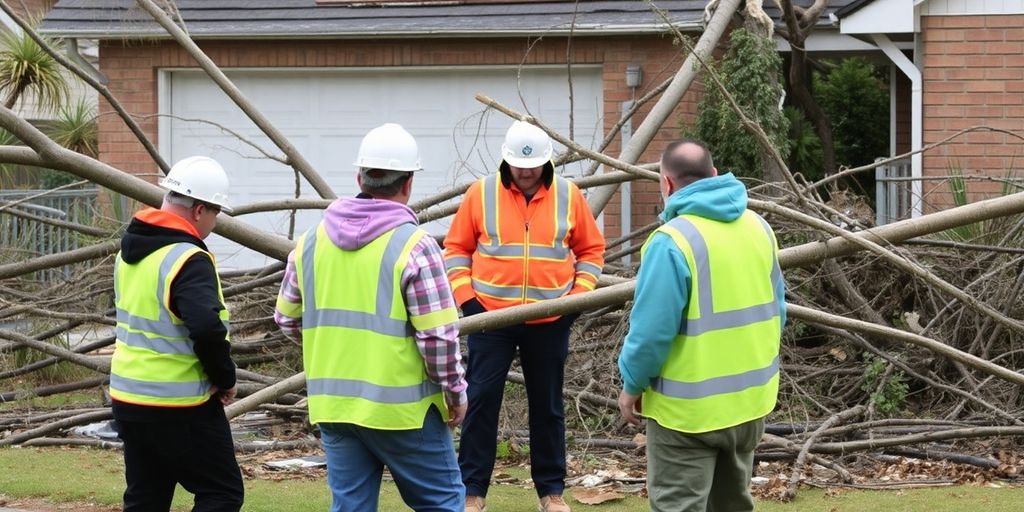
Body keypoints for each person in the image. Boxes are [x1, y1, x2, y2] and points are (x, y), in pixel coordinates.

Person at [274, 123, 468, 512]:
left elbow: (286, 319)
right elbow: (438, 338)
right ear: (409, 184)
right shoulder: (416, 247)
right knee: (443, 504)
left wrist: (334, 348)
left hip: (336, 407)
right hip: (403, 411)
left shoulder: (311, 242)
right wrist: (455, 391)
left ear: (359, 177)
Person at [616, 139, 786, 512]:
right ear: (713, 175)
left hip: (687, 414)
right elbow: (778, 312)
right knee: (732, 505)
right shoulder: (759, 228)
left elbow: (650, 334)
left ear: (667, 184)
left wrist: (632, 385)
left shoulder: (672, 242)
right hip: (749, 404)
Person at [444, 120, 606, 512]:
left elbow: (592, 251)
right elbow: (455, 250)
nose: (526, 171)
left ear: (548, 162)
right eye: (518, 165)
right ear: (506, 160)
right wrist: (468, 302)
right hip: (489, 318)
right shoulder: (480, 193)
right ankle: (472, 493)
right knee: (481, 401)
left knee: (548, 406)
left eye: (532, 166)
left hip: (551, 319)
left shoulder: (568, 195)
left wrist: (575, 300)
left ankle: (551, 492)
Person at [109, 156, 243, 512]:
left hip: (129, 397)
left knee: (145, 499)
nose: (215, 223)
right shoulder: (188, 258)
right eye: (216, 213)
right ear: (199, 210)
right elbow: (206, 328)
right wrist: (225, 378)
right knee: (222, 493)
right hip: (180, 404)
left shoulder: (130, 252)